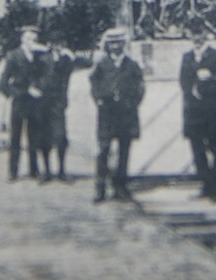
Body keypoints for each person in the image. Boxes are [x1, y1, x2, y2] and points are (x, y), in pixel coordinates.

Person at [90, 28, 146, 203]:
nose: (115, 46)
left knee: (124, 151)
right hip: (107, 113)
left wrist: (133, 102)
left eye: (119, 43)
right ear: (107, 45)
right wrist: (99, 99)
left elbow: (140, 87)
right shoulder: (101, 64)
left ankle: (120, 187)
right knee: (103, 150)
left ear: (124, 44)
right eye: (112, 43)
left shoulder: (132, 64)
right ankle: (100, 188)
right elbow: (94, 83)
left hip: (126, 113)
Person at [180, 30, 216, 200]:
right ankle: (206, 184)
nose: (197, 39)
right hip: (194, 112)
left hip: (213, 111)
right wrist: (192, 90)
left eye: (200, 35)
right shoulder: (187, 57)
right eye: (194, 35)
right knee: (197, 148)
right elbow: (182, 81)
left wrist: (211, 79)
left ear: (207, 37)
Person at [0, 27, 49, 181]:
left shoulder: (40, 56)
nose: (32, 42)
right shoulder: (13, 55)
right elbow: (4, 82)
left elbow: (46, 74)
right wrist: (17, 93)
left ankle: (33, 170)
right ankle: (13, 171)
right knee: (15, 137)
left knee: (34, 136)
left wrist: (39, 88)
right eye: (29, 39)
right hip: (20, 101)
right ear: (22, 39)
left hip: (35, 103)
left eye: (34, 40)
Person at [37, 38, 77, 182]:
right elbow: (35, 76)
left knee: (61, 137)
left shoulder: (66, 59)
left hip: (58, 102)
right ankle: (46, 171)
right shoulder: (42, 58)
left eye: (61, 43)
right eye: (55, 43)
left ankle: (61, 171)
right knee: (44, 137)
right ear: (50, 45)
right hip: (43, 102)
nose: (58, 46)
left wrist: (70, 56)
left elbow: (74, 68)